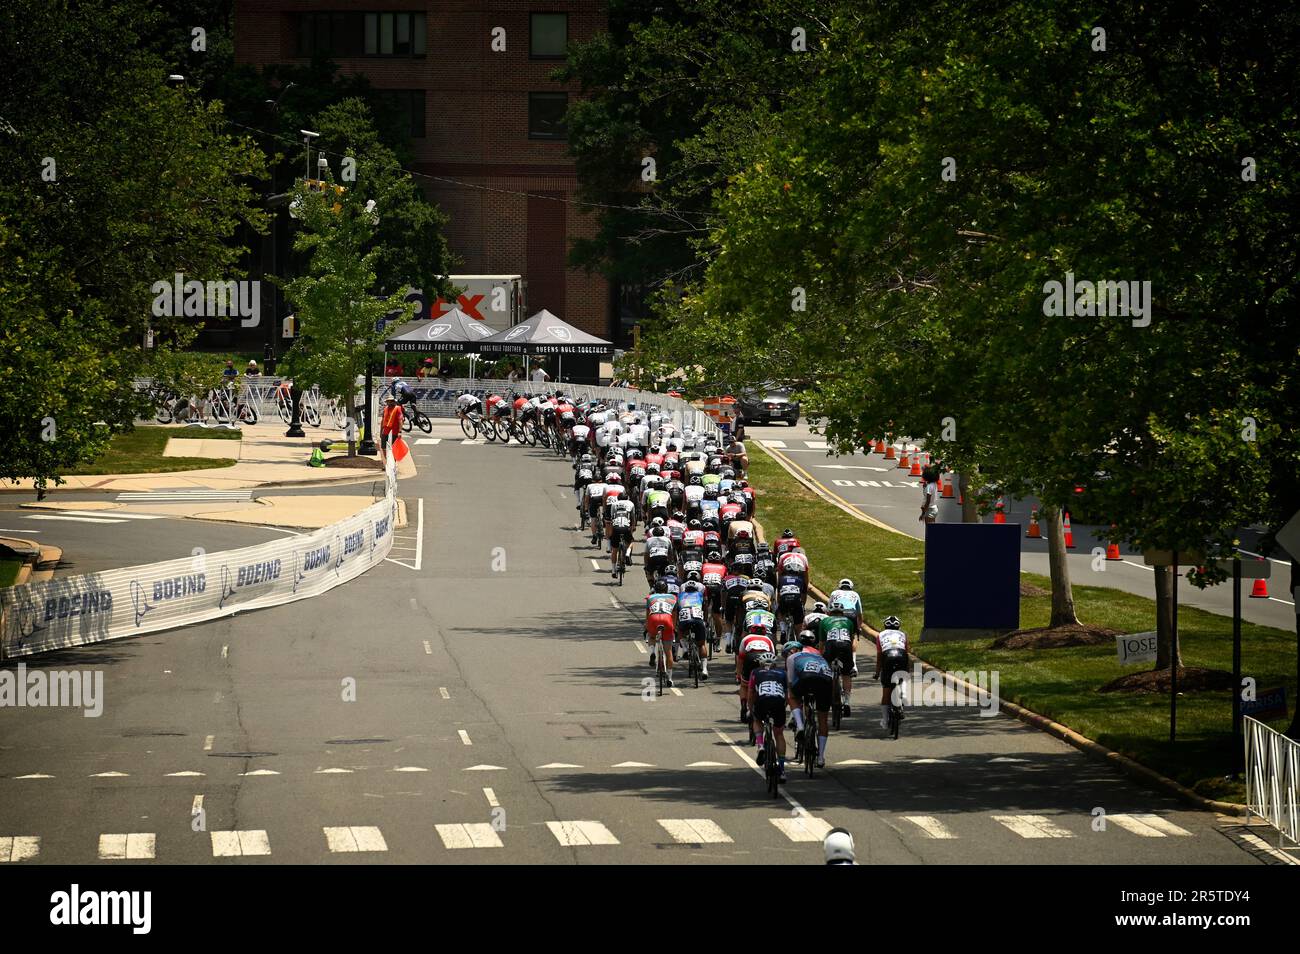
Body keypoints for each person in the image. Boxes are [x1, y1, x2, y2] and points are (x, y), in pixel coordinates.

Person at [787, 630, 834, 768]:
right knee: (823, 719)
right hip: (825, 680)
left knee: (792, 695)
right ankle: (820, 757)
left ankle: (801, 726)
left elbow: (790, 681)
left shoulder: (793, 657)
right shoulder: (820, 655)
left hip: (807, 679)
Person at [749, 651, 788, 782]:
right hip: (778, 703)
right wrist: (784, 706)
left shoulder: (755, 672)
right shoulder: (783, 673)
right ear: (774, 664)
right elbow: (787, 694)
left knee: (757, 720)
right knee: (779, 734)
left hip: (762, 701)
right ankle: (782, 770)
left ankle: (760, 745)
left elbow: (751, 693)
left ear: (761, 663)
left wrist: (750, 708)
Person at [818, 599, 858, 716]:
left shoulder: (825, 621)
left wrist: (821, 657)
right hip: (845, 645)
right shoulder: (848, 621)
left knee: (826, 670)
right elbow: (851, 639)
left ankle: (828, 691)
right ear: (842, 612)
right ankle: (846, 702)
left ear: (829, 612)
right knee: (846, 674)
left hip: (831, 645)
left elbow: (822, 643)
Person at [874, 616, 910, 732]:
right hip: (901, 656)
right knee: (903, 677)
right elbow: (906, 653)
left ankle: (884, 720)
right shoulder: (903, 634)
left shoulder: (880, 635)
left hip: (888, 657)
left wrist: (877, 672)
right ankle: (903, 694)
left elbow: (880, 657)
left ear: (885, 626)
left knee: (886, 690)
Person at [645, 580, 677, 686]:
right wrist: (674, 628)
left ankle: (652, 651)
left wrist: (647, 628)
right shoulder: (673, 598)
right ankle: (670, 678)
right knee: (668, 652)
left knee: (652, 636)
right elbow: (675, 615)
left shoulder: (650, 598)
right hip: (667, 619)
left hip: (654, 618)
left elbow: (647, 615)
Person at [379, 394, 403, 461]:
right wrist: (381, 431)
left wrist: (400, 431)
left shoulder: (397, 408)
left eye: (391, 401)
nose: (389, 403)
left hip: (395, 431)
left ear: (393, 401)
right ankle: (387, 461)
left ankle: (393, 462)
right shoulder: (385, 409)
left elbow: (400, 420)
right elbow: (382, 420)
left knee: (394, 447)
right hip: (386, 430)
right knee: (383, 447)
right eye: (388, 401)